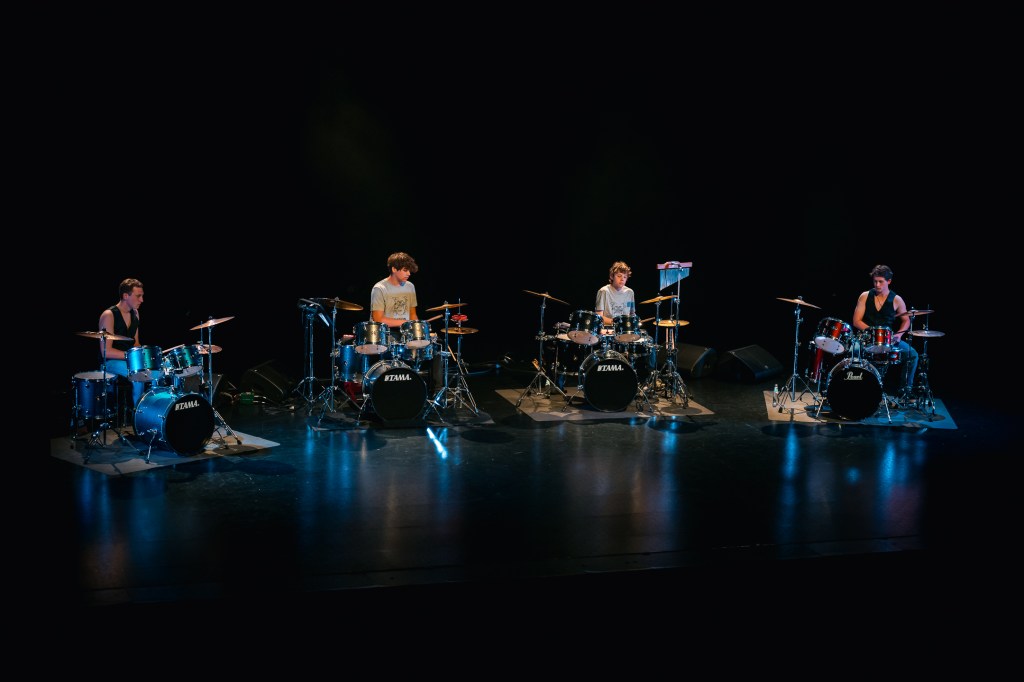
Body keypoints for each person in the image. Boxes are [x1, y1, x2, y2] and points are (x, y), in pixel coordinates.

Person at [851, 264, 919, 400]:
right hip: (866, 338)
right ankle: (853, 390)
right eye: (875, 281)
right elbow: (856, 321)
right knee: (852, 351)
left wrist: (899, 335)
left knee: (912, 355)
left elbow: (906, 320)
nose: (877, 285)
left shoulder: (896, 299)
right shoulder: (865, 296)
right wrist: (873, 333)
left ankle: (905, 391)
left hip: (888, 340)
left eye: (881, 281)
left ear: (889, 281)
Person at [97, 278, 148, 412]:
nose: (142, 300)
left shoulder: (135, 313)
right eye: (138, 296)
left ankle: (156, 412)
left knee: (156, 371)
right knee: (138, 374)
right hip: (110, 362)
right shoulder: (109, 315)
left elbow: (135, 342)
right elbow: (106, 351)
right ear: (126, 296)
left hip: (129, 360)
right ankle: (138, 414)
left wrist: (143, 353)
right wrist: (132, 356)